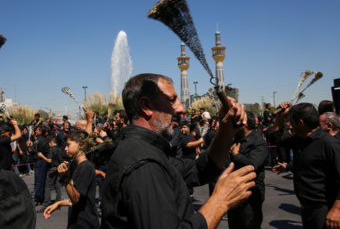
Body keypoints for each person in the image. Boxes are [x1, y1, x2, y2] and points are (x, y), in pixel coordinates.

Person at [101, 73, 256, 229]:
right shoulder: (144, 163)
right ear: (147, 106)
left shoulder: (148, 151)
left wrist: (226, 129)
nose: (181, 108)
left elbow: (201, 169)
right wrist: (220, 202)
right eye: (171, 100)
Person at [272, 102, 340, 229]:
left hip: (326, 211)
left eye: (291, 121)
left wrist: (337, 209)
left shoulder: (329, 144)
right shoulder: (300, 140)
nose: (290, 125)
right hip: (309, 211)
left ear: (300, 123)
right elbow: (276, 137)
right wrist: (280, 114)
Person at [44, 130, 99, 229]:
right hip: (76, 221)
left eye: (68, 145)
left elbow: (75, 198)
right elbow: (78, 199)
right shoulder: (76, 165)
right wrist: (59, 203)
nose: (65, 148)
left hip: (85, 223)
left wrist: (65, 178)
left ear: (80, 144)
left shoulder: (85, 167)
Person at [228, 111, 268, 229]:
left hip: (251, 193)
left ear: (244, 124)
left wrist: (236, 155)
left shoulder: (258, 142)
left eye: (235, 122)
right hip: (235, 191)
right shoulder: (236, 139)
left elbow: (253, 165)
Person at [36, 135, 63, 213]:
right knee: (57, 186)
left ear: (51, 143)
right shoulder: (59, 149)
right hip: (58, 168)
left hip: (51, 169)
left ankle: (46, 205)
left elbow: (49, 160)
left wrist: (42, 156)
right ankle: (58, 203)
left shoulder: (51, 150)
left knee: (47, 187)